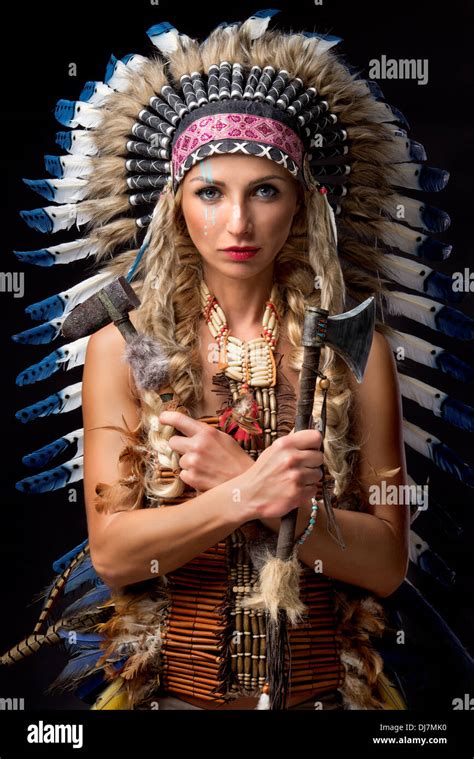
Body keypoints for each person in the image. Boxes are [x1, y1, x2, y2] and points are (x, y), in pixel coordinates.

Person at [3, 10, 460, 712]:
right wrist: (247, 495)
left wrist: (244, 478)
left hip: (327, 699)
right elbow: (116, 554)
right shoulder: (120, 351)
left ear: (305, 201)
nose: (238, 224)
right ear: (174, 204)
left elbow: (387, 564)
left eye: (265, 190)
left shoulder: (356, 349)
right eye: (210, 191)